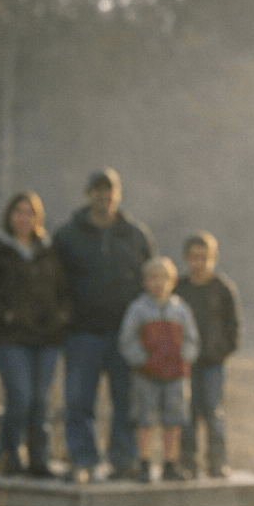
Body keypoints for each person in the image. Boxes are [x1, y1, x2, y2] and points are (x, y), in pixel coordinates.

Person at [53, 167, 156, 482]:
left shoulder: (136, 235)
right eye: (98, 190)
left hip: (127, 334)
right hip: (81, 332)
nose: (104, 195)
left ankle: (123, 460)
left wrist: (149, 327)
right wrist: (61, 319)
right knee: (79, 402)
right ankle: (83, 460)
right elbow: (53, 283)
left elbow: (152, 281)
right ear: (88, 194)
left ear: (118, 194)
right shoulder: (67, 235)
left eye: (109, 189)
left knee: (126, 402)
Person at [0, 191, 70, 478]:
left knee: (40, 400)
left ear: (38, 217)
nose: (25, 218)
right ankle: (9, 456)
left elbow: (64, 289)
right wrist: (4, 314)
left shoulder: (48, 249)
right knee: (20, 395)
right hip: (9, 337)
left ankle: (39, 459)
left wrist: (62, 316)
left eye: (30, 212)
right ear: (10, 216)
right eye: (19, 212)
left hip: (46, 337)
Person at [118, 256, 199, 482]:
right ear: (145, 282)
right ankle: (144, 464)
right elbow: (127, 340)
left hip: (175, 375)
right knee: (145, 419)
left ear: (173, 282)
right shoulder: (138, 309)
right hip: (146, 375)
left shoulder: (181, 310)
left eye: (164, 278)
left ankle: (170, 465)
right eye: (153, 278)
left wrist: (184, 359)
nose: (159, 283)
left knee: (174, 420)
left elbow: (192, 340)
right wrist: (141, 361)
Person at [174, 231, 241, 479]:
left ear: (213, 258)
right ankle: (188, 462)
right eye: (194, 257)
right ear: (186, 258)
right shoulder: (179, 288)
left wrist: (220, 351)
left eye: (204, 257)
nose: (199, 263)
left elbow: (234, 326)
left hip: (213, 363)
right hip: (185, 363)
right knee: (187, 414)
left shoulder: (222, 289)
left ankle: (217, 462)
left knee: (213, 413)